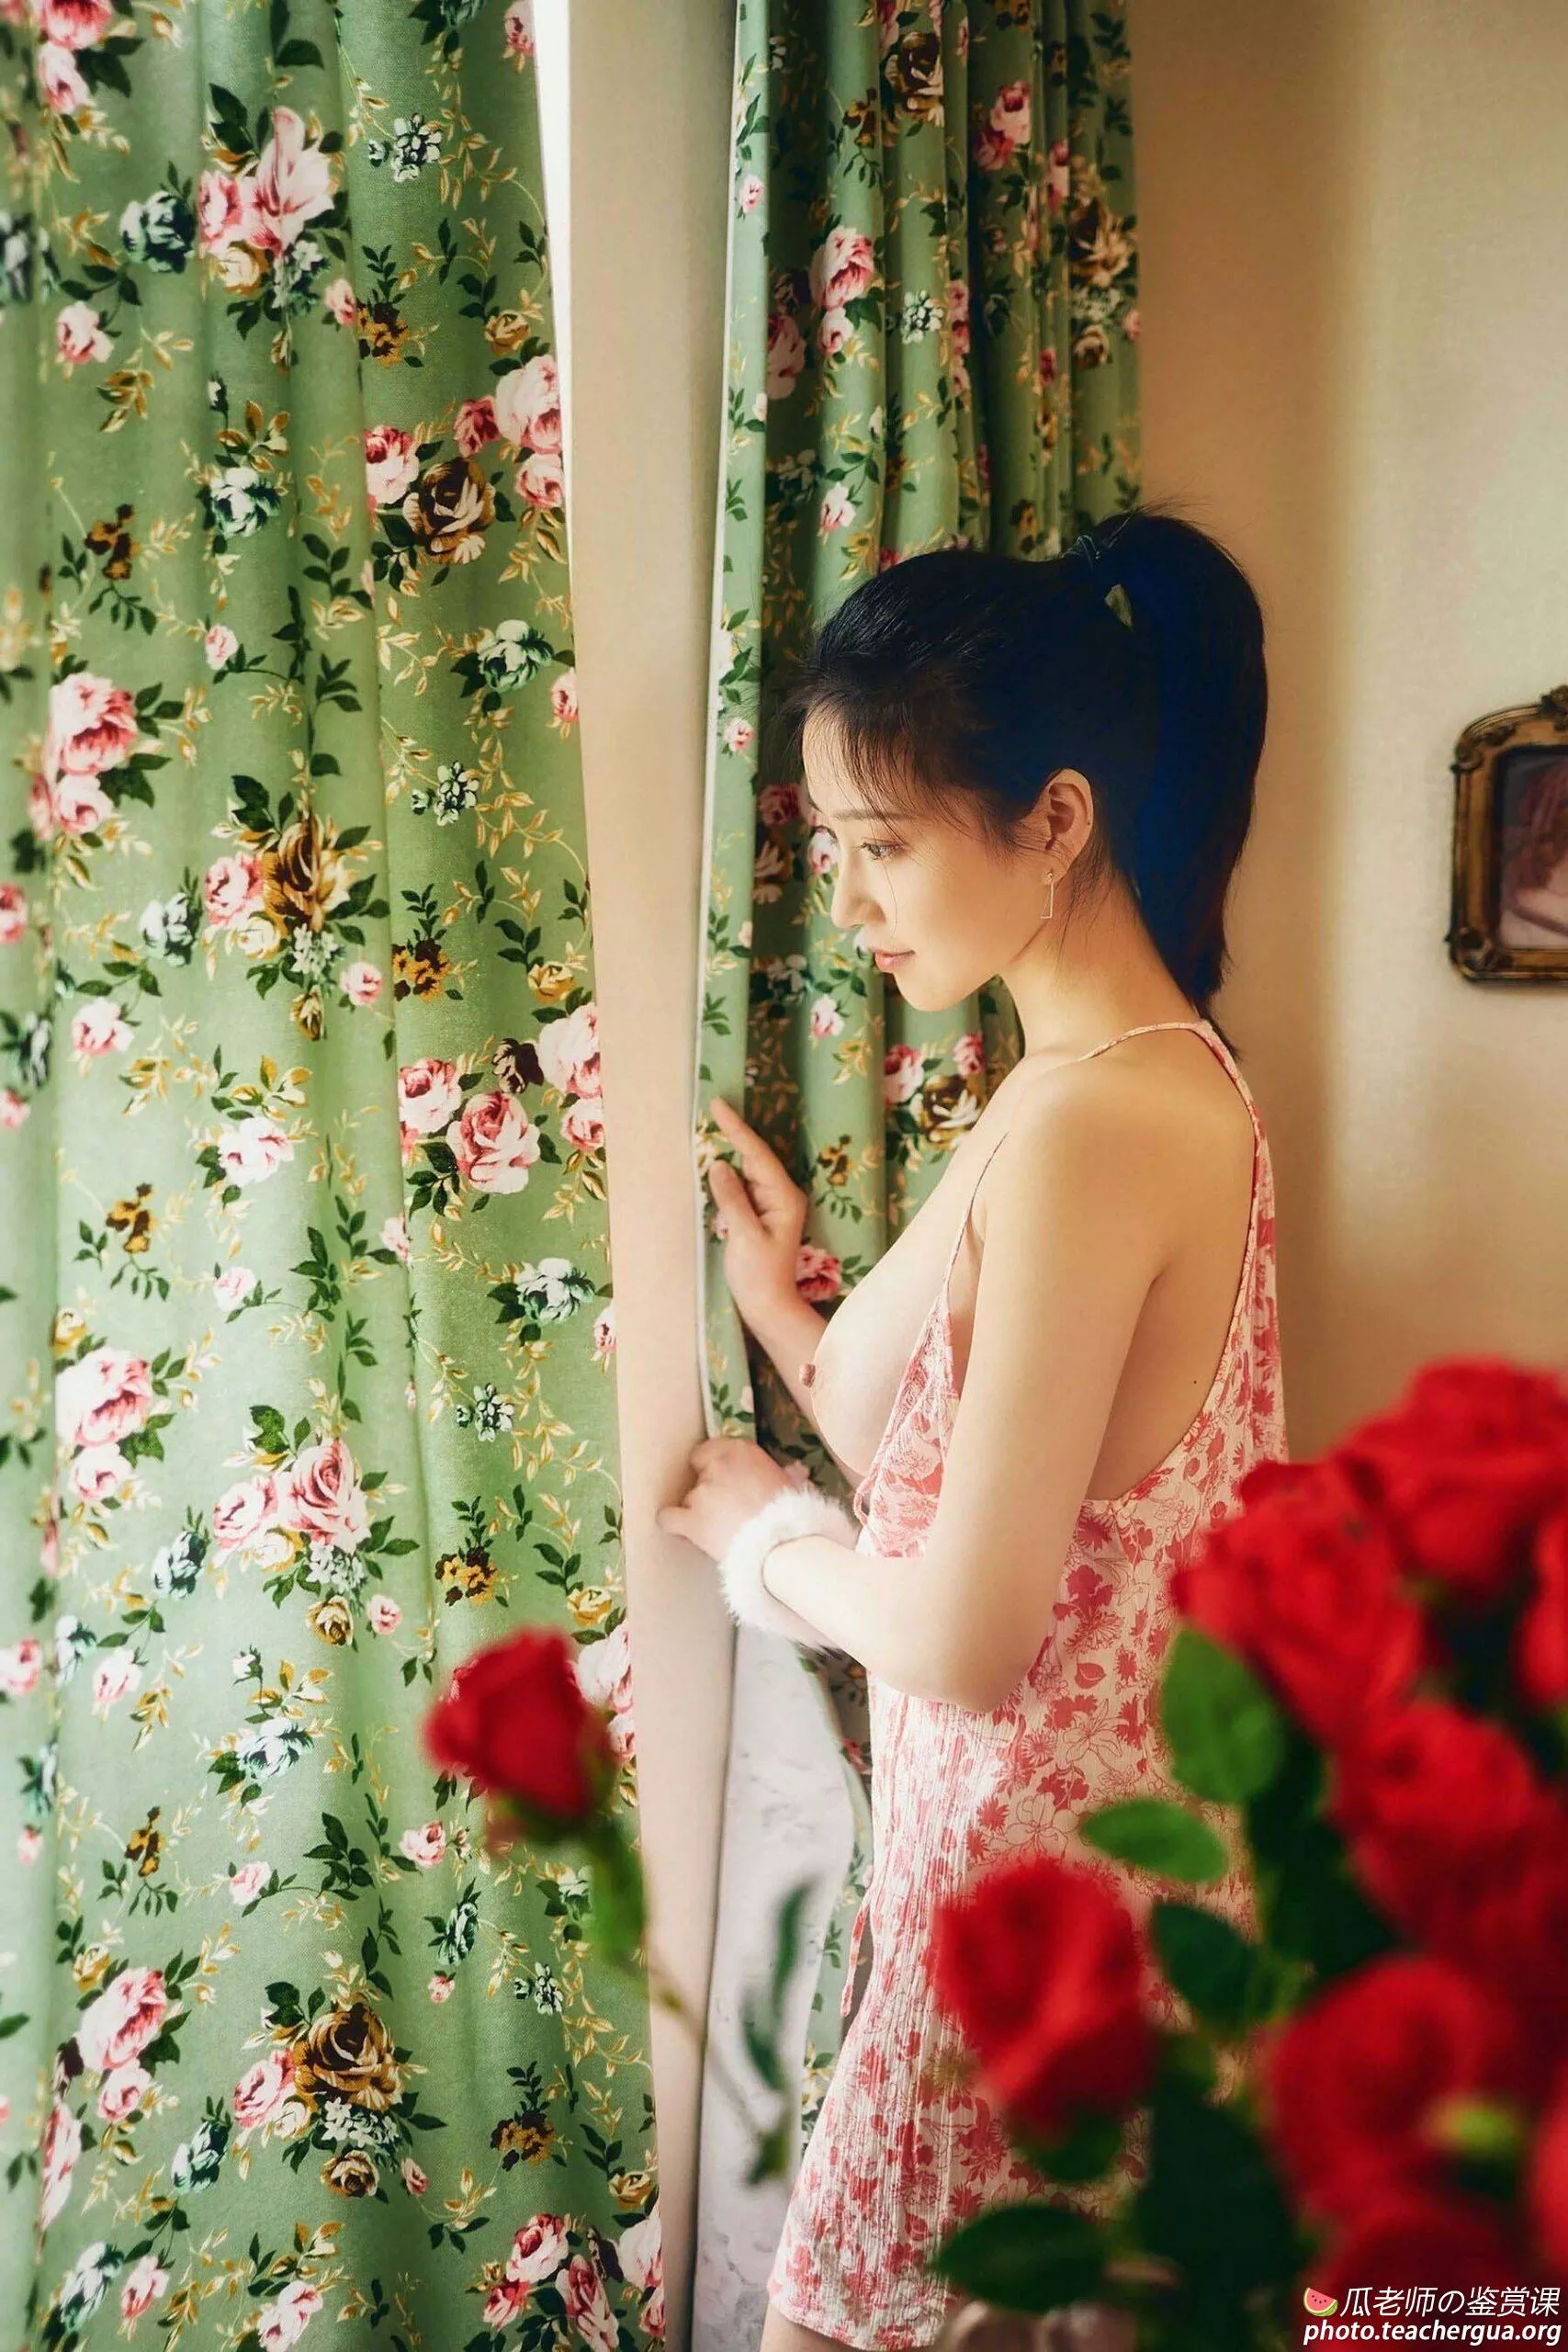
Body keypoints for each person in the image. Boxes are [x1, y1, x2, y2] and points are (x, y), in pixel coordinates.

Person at [657, 503, 1290, 2352]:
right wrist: (784, 1298)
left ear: (1054, 818)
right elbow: (921, 1430)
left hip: (1038, 1919)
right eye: (833, 849)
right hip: (1053, 1889)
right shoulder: (1085, 1081)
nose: (848, 903)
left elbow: (963, 1631)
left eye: (881, 846)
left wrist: (765, 1543)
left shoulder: (1100, 1123)